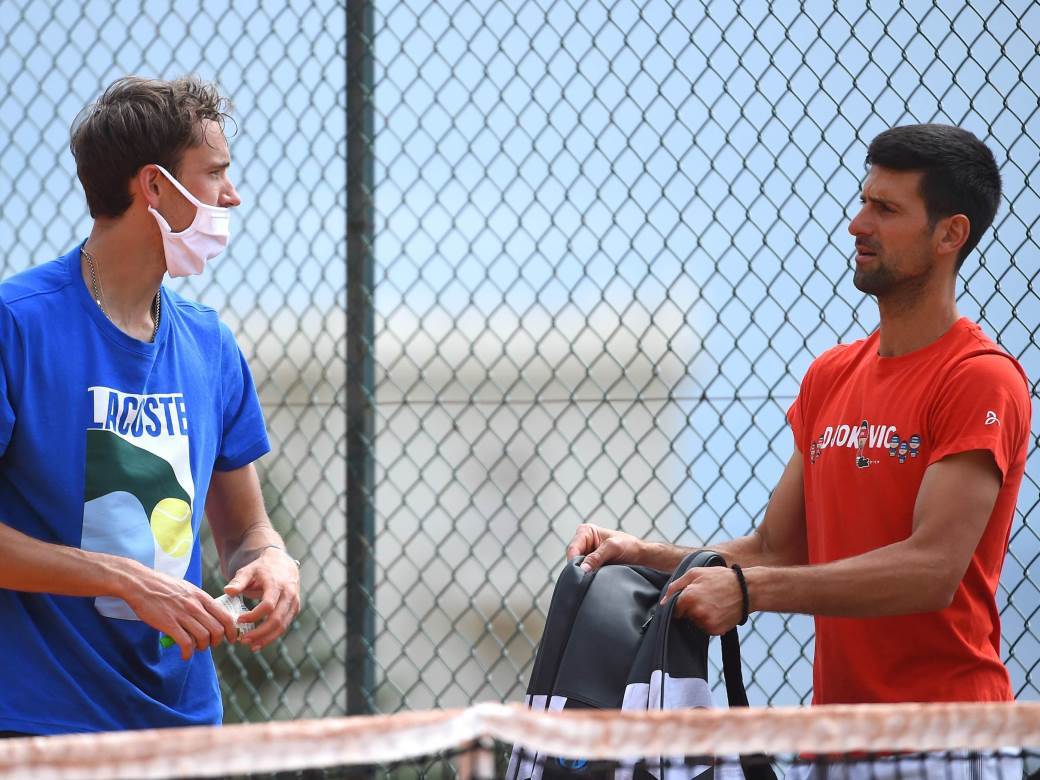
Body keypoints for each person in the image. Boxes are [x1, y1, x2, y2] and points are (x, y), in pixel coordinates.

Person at [567, 124, 1031, 708]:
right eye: (864, 202)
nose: (858, 225)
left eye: (885, 209)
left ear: (950, 234)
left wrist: (748, 590)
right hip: (829, 739)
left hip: (945, 737)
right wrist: (641, 553)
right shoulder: (830, 376)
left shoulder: (978, 377)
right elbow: (774, 548)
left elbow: (931, 569)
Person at [0, 76, 300, 734]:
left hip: (182, 726)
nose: (233, 195)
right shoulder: (15, 324)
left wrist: (273, 561)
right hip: (41, 727)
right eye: (215, 173)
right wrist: (124, 578)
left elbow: (246, 532)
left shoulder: (210, 343)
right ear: (155, 186)